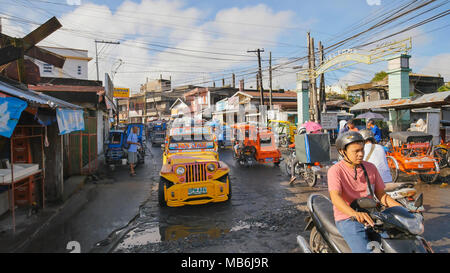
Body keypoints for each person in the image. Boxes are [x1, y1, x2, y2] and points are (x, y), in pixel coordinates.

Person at [328, 131, 402, 253]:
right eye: (356, 151)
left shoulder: (371, 167)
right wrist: (355, 214)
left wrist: (403, 210)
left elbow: (381, 195)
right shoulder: (335, 171)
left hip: (372, 215)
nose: (361, 154)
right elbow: (335, 198)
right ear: (342, 151)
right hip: (347, 218)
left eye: (362, 150)